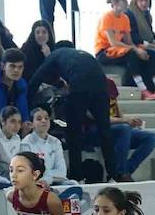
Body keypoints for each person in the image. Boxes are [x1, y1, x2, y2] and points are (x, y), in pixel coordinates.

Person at [27, 46, 119, 180]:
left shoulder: (52, 57)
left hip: (80, 85)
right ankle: (114, 175)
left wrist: (28, 106)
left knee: (74, 133)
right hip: (101, 86)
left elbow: (35, 80)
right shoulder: (78, 55)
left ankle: (77, 176)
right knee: (105, 131)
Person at [95, 0, 155, 100]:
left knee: (151, 54)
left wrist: (140, 49)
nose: (127, 3)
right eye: (124, 1)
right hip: (104, 51)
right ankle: (143, 89)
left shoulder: (125, 18)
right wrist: (135, 49)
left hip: (119, 49)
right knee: (132, 54)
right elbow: (113, 42)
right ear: (115, 3)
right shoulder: (107, 17)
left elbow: (129, 42)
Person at [99, 76, 155, 181]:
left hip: (118, 127)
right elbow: (98, 118)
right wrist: (124, 121)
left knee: (152, 137)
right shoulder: (89, 89)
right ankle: (120, 172)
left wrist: (128, 120)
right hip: (99, 129)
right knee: (124, 129)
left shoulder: (109, 84)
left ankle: (126, 170)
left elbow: (115, 107)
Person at [19, 105, 68, 184]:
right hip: (35, 184)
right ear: (31, 124)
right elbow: (31, 173)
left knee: (72, 184)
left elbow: (62, 172)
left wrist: (47, 178)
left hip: (55, 181)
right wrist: (50, 176)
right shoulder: (26, 144)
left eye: (46, 118)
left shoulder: (56, 142)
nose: (43, 121)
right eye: (39, 119)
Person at [0, 106, 24, 187]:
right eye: (13, 121)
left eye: (19, 122)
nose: (17, 126)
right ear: (3, 121)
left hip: (12, 180)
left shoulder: (17, 138)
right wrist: (5, 182)